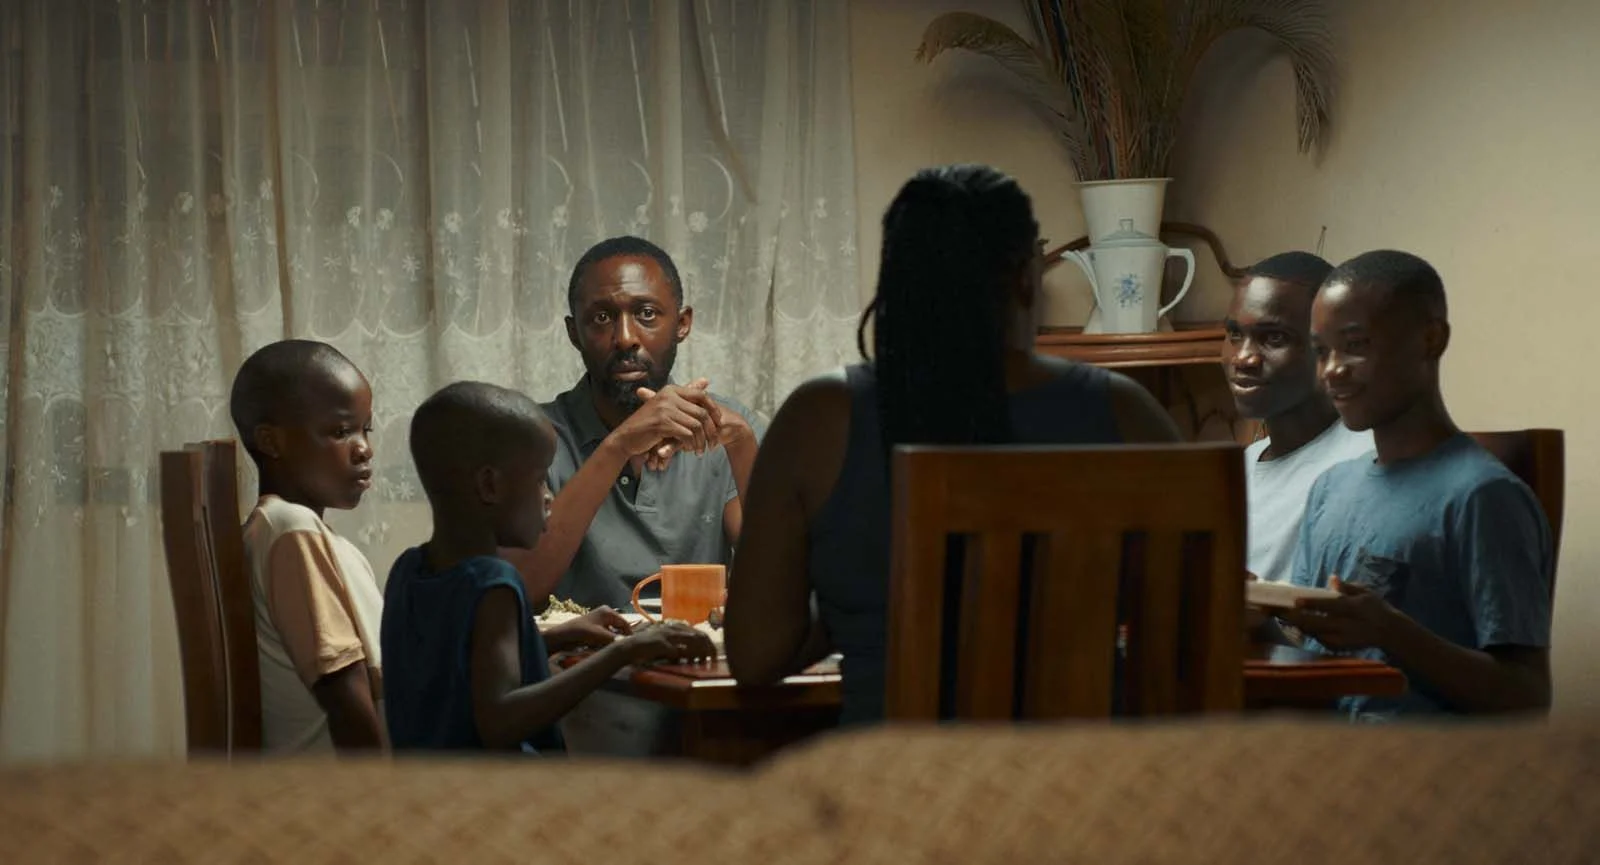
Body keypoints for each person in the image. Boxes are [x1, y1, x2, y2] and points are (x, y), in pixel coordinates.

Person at [723, 164, 1182, 725]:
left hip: (899, 771)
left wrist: (852, 599)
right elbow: (1188, 629)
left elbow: (755, 656)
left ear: (894, 283)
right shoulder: (1127, 412)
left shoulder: (820, 419)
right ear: (1025, 279)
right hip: (1088, 771)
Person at [1278, 250, 1553, 717]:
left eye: (1355, 345)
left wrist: (1391, 632)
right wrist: (1257, 619)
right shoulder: (1330, 488)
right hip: (1323, 752)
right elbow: (1307, 650)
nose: (1332, 370)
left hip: (1420, 759)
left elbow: (1526, 697)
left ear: (1430, 339)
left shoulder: (1483, 497)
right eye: (1321, 352)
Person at [381, 381, 716, 752]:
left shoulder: (409, 570)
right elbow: (500, 719)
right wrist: (622, 653)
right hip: (492, 786)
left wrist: (558, 637)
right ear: (490, 485)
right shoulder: (494, 584)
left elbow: (459, 667)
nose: (549, 497)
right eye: (540, 478)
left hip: (426, 782)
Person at [503, 237, 765, 611]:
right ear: (574, 333)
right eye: (602, 318)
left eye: (646, 314)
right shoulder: (530, 437)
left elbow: (782, 580)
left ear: (682, 324)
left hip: (694, 648)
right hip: (582, 649)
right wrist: (618, 445)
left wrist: (742, 447)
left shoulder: (729, 428)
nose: (625, 338)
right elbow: (521, 588)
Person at [230, 339, 386, 753]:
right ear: (271, 442)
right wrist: (386, 787)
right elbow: (345, 698)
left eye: (365, 429)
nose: (364, 449)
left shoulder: (288, 530)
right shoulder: (291, 530)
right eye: (341, 431)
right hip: (338, 782)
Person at [1223, 251, 1373, 584]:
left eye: (1274, 337)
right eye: (1235, 335)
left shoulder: (1366, 463)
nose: (1243, 358)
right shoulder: (1235, 470)